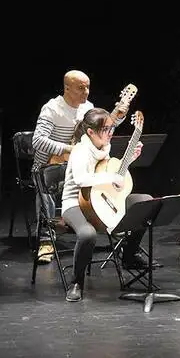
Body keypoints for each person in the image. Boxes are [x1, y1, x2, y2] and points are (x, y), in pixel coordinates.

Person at [32, 70, 128, 263]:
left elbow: (99, 133)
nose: (86, 92)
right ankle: (46, 240)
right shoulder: (52, 109)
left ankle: (117, 234)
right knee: (46, 190)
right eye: (80, 88)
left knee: (104, 184)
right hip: (50, 166)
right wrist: (69, 149)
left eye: (88, 87)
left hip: (78, 165)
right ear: (67, 88)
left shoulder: (88, 108)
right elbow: (37, 141)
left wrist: (117, 118)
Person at [61, 108, 150, 302]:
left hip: (101, 200)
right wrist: (113, 176)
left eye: (111, 128)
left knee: (145, 203)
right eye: (106, 129)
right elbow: (82, 179)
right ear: (90, 132)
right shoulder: (81, 151)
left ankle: (129, 254)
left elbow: (108, 177)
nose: (111, 133)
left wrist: (129, 160)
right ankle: (76, 282)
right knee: (87, 234)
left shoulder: (104, 148)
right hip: (75, 203)